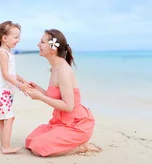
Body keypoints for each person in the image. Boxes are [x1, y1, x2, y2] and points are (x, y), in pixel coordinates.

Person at [24, 29, 100, 157]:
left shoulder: (63, 71)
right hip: (60, 122)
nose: (38, 44)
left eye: (42, 42)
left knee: (38, 148)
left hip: (75, 125)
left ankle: (81, 146)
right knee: (30, 141)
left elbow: (68, 106)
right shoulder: (55, 68)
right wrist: (38, 89)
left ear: (53, 48)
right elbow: (53, 96)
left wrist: (41, 98)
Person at [0, 21, 29, 154]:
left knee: (1, 119)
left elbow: (10, 72)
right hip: (1, 93)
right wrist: (19, 85)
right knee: (10, 117)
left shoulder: (6, 53)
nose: (18, 40)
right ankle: (6, 146)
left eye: (18, 37)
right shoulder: (2, 54)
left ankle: (3, 144)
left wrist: (21, 79)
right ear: (4, 38)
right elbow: (5, 74)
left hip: (0, 92)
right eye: (15, 37)